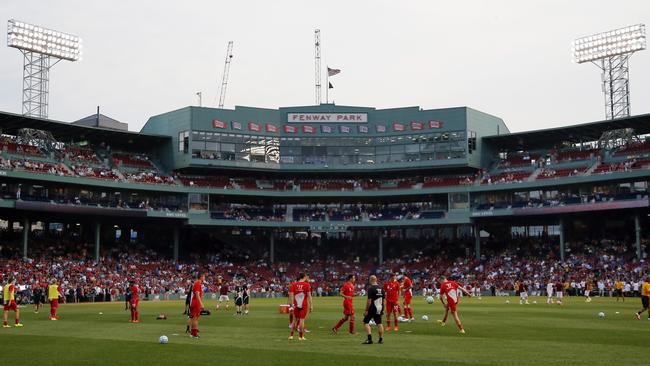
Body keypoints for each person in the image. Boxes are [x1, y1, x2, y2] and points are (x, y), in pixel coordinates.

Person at [288, 273, 312, 341]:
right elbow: (309, 296)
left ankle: (291, 335)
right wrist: (311, 305)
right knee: (302, 320)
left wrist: (291, 305)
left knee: (294, 321)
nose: (307, 277)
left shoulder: (293, 284)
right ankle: (300, 337)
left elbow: (291, 296)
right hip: (303, 304)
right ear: (304, 277)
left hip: (296, 304)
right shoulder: (307, 285)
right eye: (307, 276)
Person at [362, 275, 385, 344]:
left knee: (366, 322)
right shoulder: (381, 288)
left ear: (370, 280)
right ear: (376, 280)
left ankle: (369, 339)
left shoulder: (371, 288)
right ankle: (381, 339)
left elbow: (369, 301)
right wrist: (383, 309)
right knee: (379, 323)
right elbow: (384, 300)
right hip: (379, 307)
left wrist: (366, 310)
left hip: (373, 307)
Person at [189, 272, 205, 339]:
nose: (204, 278)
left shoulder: (196, 283)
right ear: (201, 277)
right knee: (195, 319)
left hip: (194, 303)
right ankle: (195, 334)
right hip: (196, 303)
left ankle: (192, 333)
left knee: (193, 319)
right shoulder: (198, 284)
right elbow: (197, 294)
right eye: (204, 277)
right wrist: (201, 304)